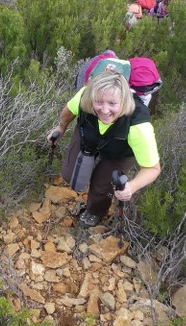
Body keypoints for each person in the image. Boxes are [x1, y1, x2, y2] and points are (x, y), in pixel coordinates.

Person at [47, 71, 161, 228]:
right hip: (88, 136)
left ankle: (94, 211)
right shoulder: (84, 97)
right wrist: (61, 128)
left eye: (112, 104)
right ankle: (91, 166)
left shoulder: (138, 125)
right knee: (70, 174)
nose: (105, 110)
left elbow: (152, 168)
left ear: (123, 101)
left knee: (102, 185)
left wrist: (131, 187)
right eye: (99, 102)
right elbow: (68, 112)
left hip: (119, 153)